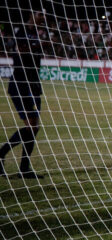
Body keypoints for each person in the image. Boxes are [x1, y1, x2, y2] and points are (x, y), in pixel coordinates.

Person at [0, 12, 44, 179]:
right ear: (32, 15)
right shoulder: (22, 31)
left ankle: (24, 167)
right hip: (20, 84)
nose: (43, 18)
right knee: (31, 126)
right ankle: (2, 154)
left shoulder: (37, 34)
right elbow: (20, 50)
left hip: (33, 85)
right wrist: (41, 46)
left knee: (34, 127)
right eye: (41, 15)